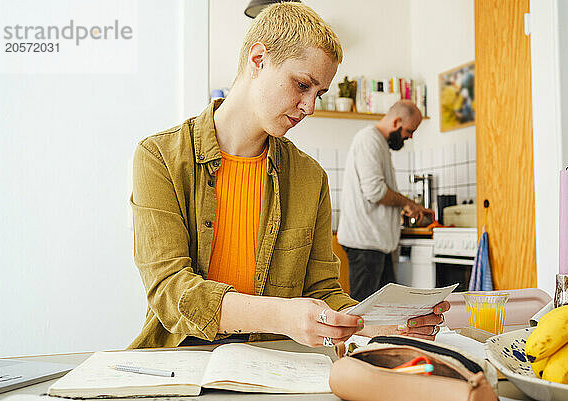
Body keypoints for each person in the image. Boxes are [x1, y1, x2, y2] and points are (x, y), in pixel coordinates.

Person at [128, 3, 447, 350]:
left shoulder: (310, 177)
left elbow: (323, 292)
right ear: (258, 59)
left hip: (277, 365)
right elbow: (169, 288)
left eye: (318, 94)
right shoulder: (159, 156)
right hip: (181, 359)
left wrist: (381, 325)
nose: (309, 107)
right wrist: (281, 316)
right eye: (301, 85)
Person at [337, 100, 435, 302]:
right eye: (410, 130)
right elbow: (376, 191)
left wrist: (405, 205)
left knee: (386, 310)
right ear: (397, 121)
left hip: (376, 244)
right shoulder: (368, 140)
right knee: (366, 313)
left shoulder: (379, 143)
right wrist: (408, 203)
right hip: (366, 244)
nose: (410, 136)